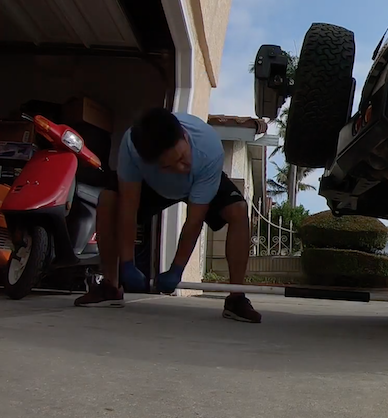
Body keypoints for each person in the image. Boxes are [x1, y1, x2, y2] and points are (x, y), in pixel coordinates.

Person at [73, 108, 261, 323]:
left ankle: (236, 297)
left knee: (238, 209)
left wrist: (176, 270)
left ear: (184, 135)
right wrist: (127, 263)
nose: (181, 168)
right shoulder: (132, 148)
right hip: (154, 185)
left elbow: (194, 220)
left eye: (182, 157)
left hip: (199, 180)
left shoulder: (209, 148)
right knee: (108, 200)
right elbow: (128, 208)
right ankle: (110, 287)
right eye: (169, 165)